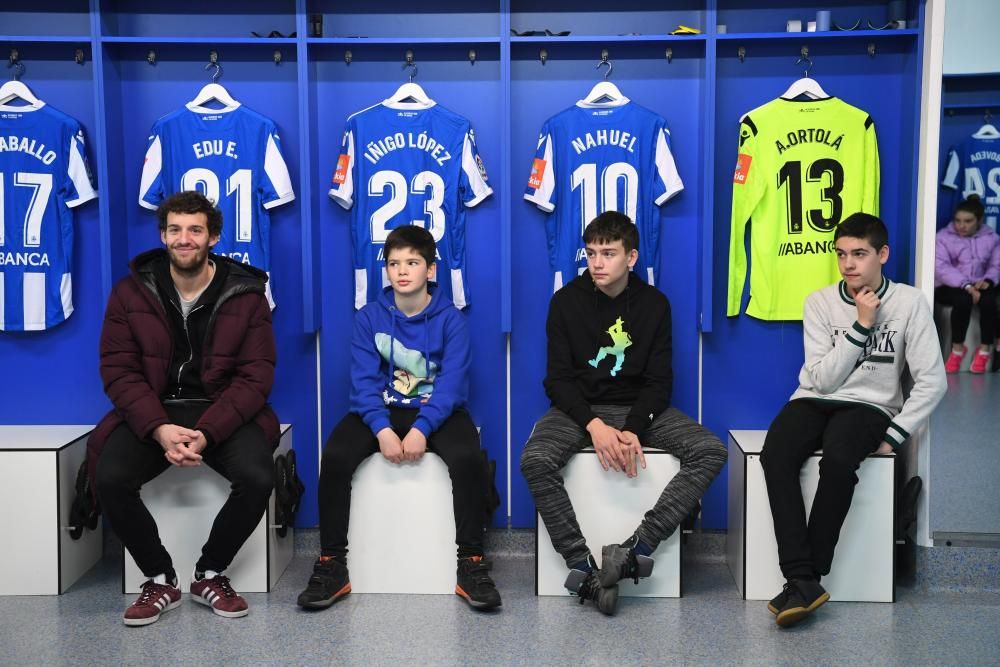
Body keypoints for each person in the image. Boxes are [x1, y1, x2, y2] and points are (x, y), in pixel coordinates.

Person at [520, 211, 727, 616]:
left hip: (639, 408)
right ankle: (585, 571)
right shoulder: (565, 302)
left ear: (631, 258)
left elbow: (659, 382)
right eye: (591, 253)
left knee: (710, 450)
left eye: (608, 253)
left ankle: (634, 551)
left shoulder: (654, 305)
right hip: (578, 410)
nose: (597, 263)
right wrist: (594, 425)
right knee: (535, 459)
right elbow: (558, 381)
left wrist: (633, 428)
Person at [88, 191, 279, 626]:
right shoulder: (129, 291)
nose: (184, 238)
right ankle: (159, 579)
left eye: (195, 230)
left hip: (223, 411)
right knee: (111, 476)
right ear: (163, 235)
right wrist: (158, 427)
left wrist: (208, 432)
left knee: (257, 476)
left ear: (213, 237)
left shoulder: (247, 293)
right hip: (155, 410)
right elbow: (118, 370)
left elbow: (257, 377)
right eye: (175, 229)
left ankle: (211, 573)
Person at [297, 225, 501, 611]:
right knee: (336, 457)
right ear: (386, 271)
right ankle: (331, 564)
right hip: (381, 408)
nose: (402, 271)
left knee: (467, 457)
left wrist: (422, 428)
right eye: (394, 263)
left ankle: (471, 562)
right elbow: (363, 383)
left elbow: (452, 386)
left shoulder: (451, 320)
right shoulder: (370, 318)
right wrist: (382, 429)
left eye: (412, 262)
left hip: (438, 411)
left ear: (431, 270)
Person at [760, 212, 946, 628]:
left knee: (840, 460)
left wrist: (895, 435)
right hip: (814, 398)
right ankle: (802, 578)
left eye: (859, 254)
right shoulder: (820, 302)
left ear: (882, 254)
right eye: (841, 254)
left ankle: (805, 578)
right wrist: (862, 326)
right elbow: (821, 378)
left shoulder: (909, 303)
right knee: (775, 455)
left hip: (871, 405)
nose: (848, 264)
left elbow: (933, 381)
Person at [935, 194, 1000, 373]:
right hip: (949, 286)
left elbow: (996, 265)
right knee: (963, 300)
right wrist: (966, 285)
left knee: (989, 301)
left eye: (968, 221)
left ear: (979, 221)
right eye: (958, 220)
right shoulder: (943, 237)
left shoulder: (992, 238)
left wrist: (987, 280)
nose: (961, 226)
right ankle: (957, 350)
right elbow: (941, 267)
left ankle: (985, 348)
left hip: (980, 283)